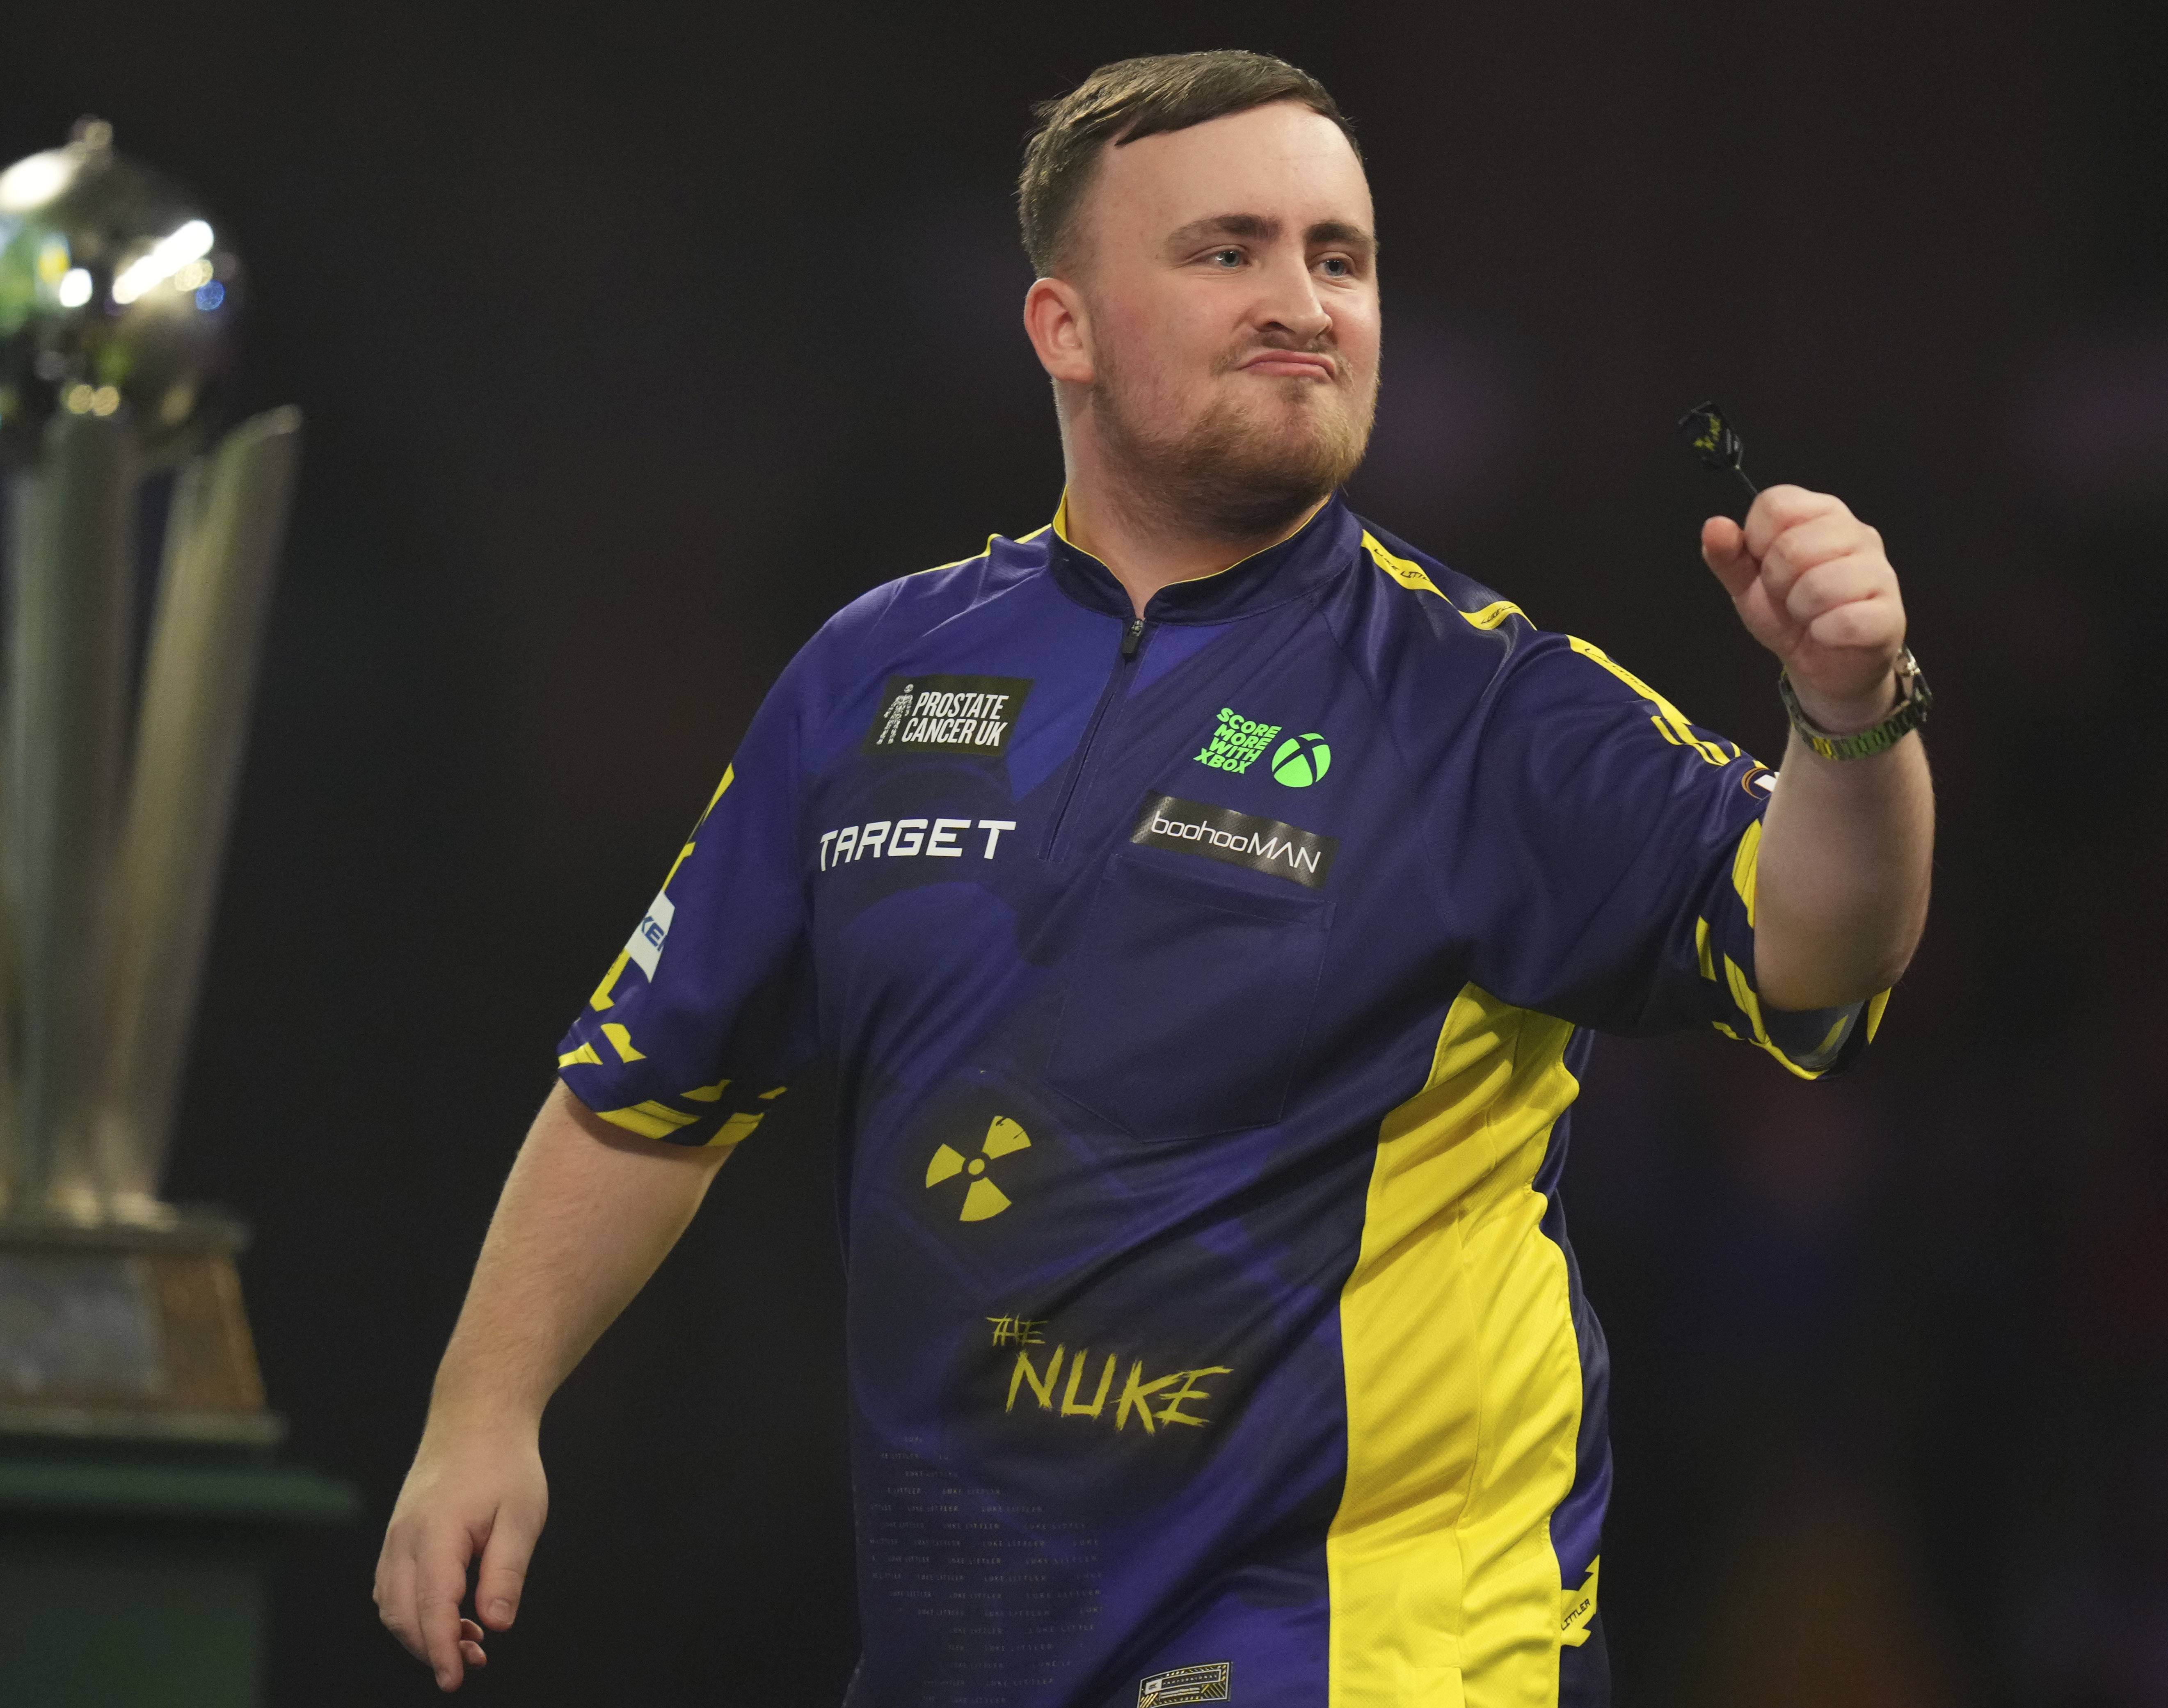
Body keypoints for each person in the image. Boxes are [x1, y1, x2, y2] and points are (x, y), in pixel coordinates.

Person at [373, 48, 1933, 1707]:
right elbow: (651, 1082)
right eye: (1228, 252)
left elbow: (1815, 942)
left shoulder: (1482, 703)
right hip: (976, 1649)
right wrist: (484, 1412)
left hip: (1373, 1649)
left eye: (1342, 257)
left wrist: (1854, 717)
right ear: (1065, 328)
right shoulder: (873, 679)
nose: (1303, 302)